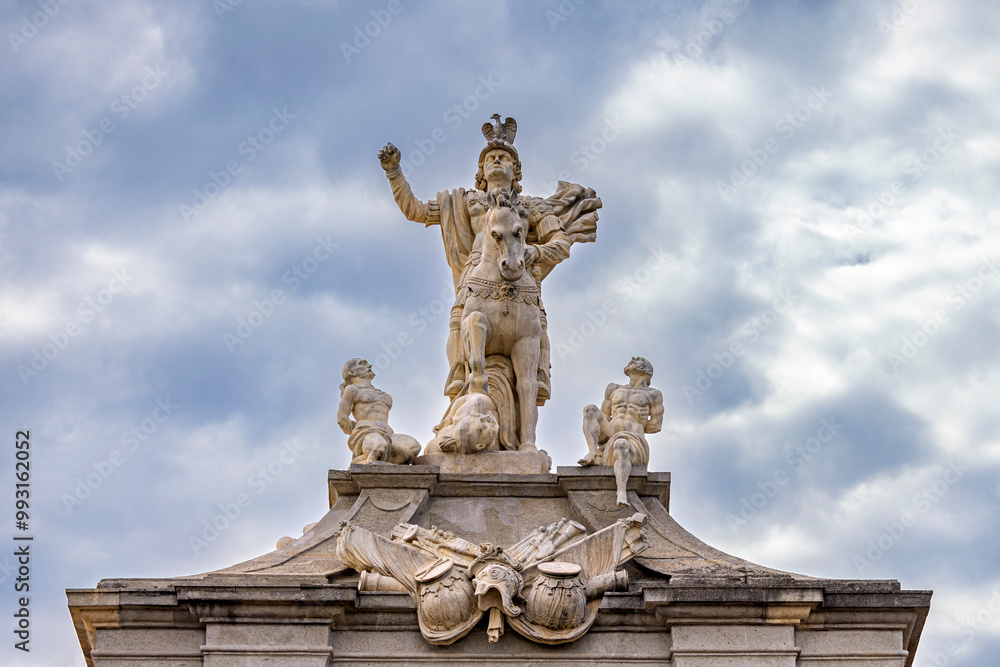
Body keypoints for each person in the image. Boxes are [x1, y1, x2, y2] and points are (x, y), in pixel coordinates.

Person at [377, 115, 601, 402]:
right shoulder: (464, 202)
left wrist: (534, 252)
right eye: (490, 158)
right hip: (476, 272)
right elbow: (415, 211)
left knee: (538, 321)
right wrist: (394, 172)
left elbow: (560, 243)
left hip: (520, 274)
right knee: (459, 317)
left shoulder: (532, 206)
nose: (496, 160)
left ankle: (539, 374)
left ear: (515, 169)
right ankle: (460, 371)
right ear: (481, 169)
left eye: (504, 157)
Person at [579, 357, 664, 506]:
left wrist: (637, 425)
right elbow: (605, 415)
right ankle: (592, 453)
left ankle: (621, 491)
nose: (633, 359)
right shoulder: (613, 388)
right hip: (611, 433)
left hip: (634, 439)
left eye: (639, 360)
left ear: (648, 371)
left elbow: (656, 424)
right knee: (590, 409)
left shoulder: (653, 394)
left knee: (621, 445)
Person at [337, 358, 420, 464]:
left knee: (413, 447)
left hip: (388, 434)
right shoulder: (352, 390)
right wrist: (356, 431)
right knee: (379, 446)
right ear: (352, 372)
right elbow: (342, 418)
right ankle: (368, 464)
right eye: (362, 364)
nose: (369, 366)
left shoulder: (385, 395)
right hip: (367, 433)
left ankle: (384, 464)